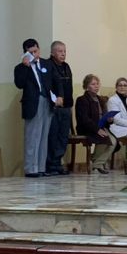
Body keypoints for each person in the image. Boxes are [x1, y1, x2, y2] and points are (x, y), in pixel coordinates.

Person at [13, 38, 53, 178]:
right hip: (32, 104)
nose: (34, 54)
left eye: (36, 51)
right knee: (32, 136)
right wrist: (26, 66)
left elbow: (52, 80)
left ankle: (41, 167)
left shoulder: (47, 63)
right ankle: (31, 168)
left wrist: (57, 96)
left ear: (39, 49)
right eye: (31, 52)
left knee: (43, 136)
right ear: (26, 53)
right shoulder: (20, 68)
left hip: (47, 101)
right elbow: (20, 84)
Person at [74, 74, 116, 174]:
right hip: (87, 128)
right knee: (105, 139)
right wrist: (97, 129)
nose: (96, 86)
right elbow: (84, 119)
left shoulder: (100, 99)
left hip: (100, 127)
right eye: (93, 84)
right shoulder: (82, 100)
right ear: (86, 86)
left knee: (113, 142)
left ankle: (97, 163)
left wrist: (109, 120)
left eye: (97, 84)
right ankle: (98, 164)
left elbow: (104, 116)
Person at [44, 41, 73, 176]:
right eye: (60, 51)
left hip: (66, 106)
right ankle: (50, 165)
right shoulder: (48, 65)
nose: (63, 54)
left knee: (63, 136)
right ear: (52, 52)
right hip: (54, 107)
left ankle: (57, 163)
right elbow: (48, 86)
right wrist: (55, 100)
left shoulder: (66, 66)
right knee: (52, 136)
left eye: (64, 51)